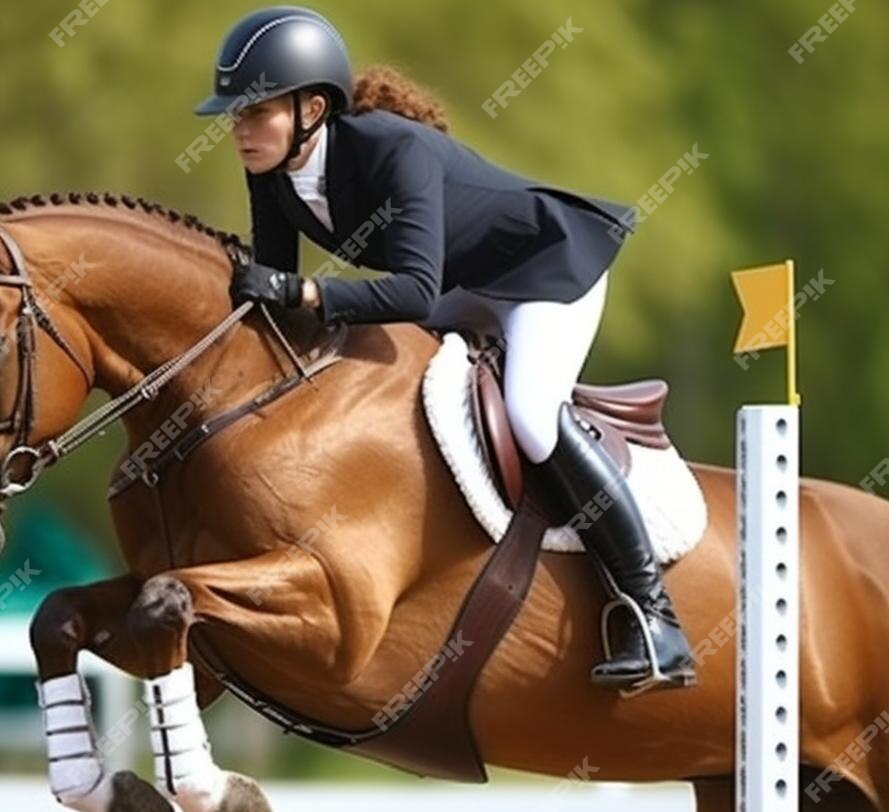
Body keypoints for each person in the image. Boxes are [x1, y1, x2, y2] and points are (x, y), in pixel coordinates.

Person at [195, 6, 695, 693]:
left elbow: (411, 292)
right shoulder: (273, 171)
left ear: (312, 107)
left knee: (529, 414)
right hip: (473, 285)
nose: (241, 131)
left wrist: (307, 293)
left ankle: (655, 617)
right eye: (235, 116)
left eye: (255, 112)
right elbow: (277, 295)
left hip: (549, 271)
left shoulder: (391, 150)